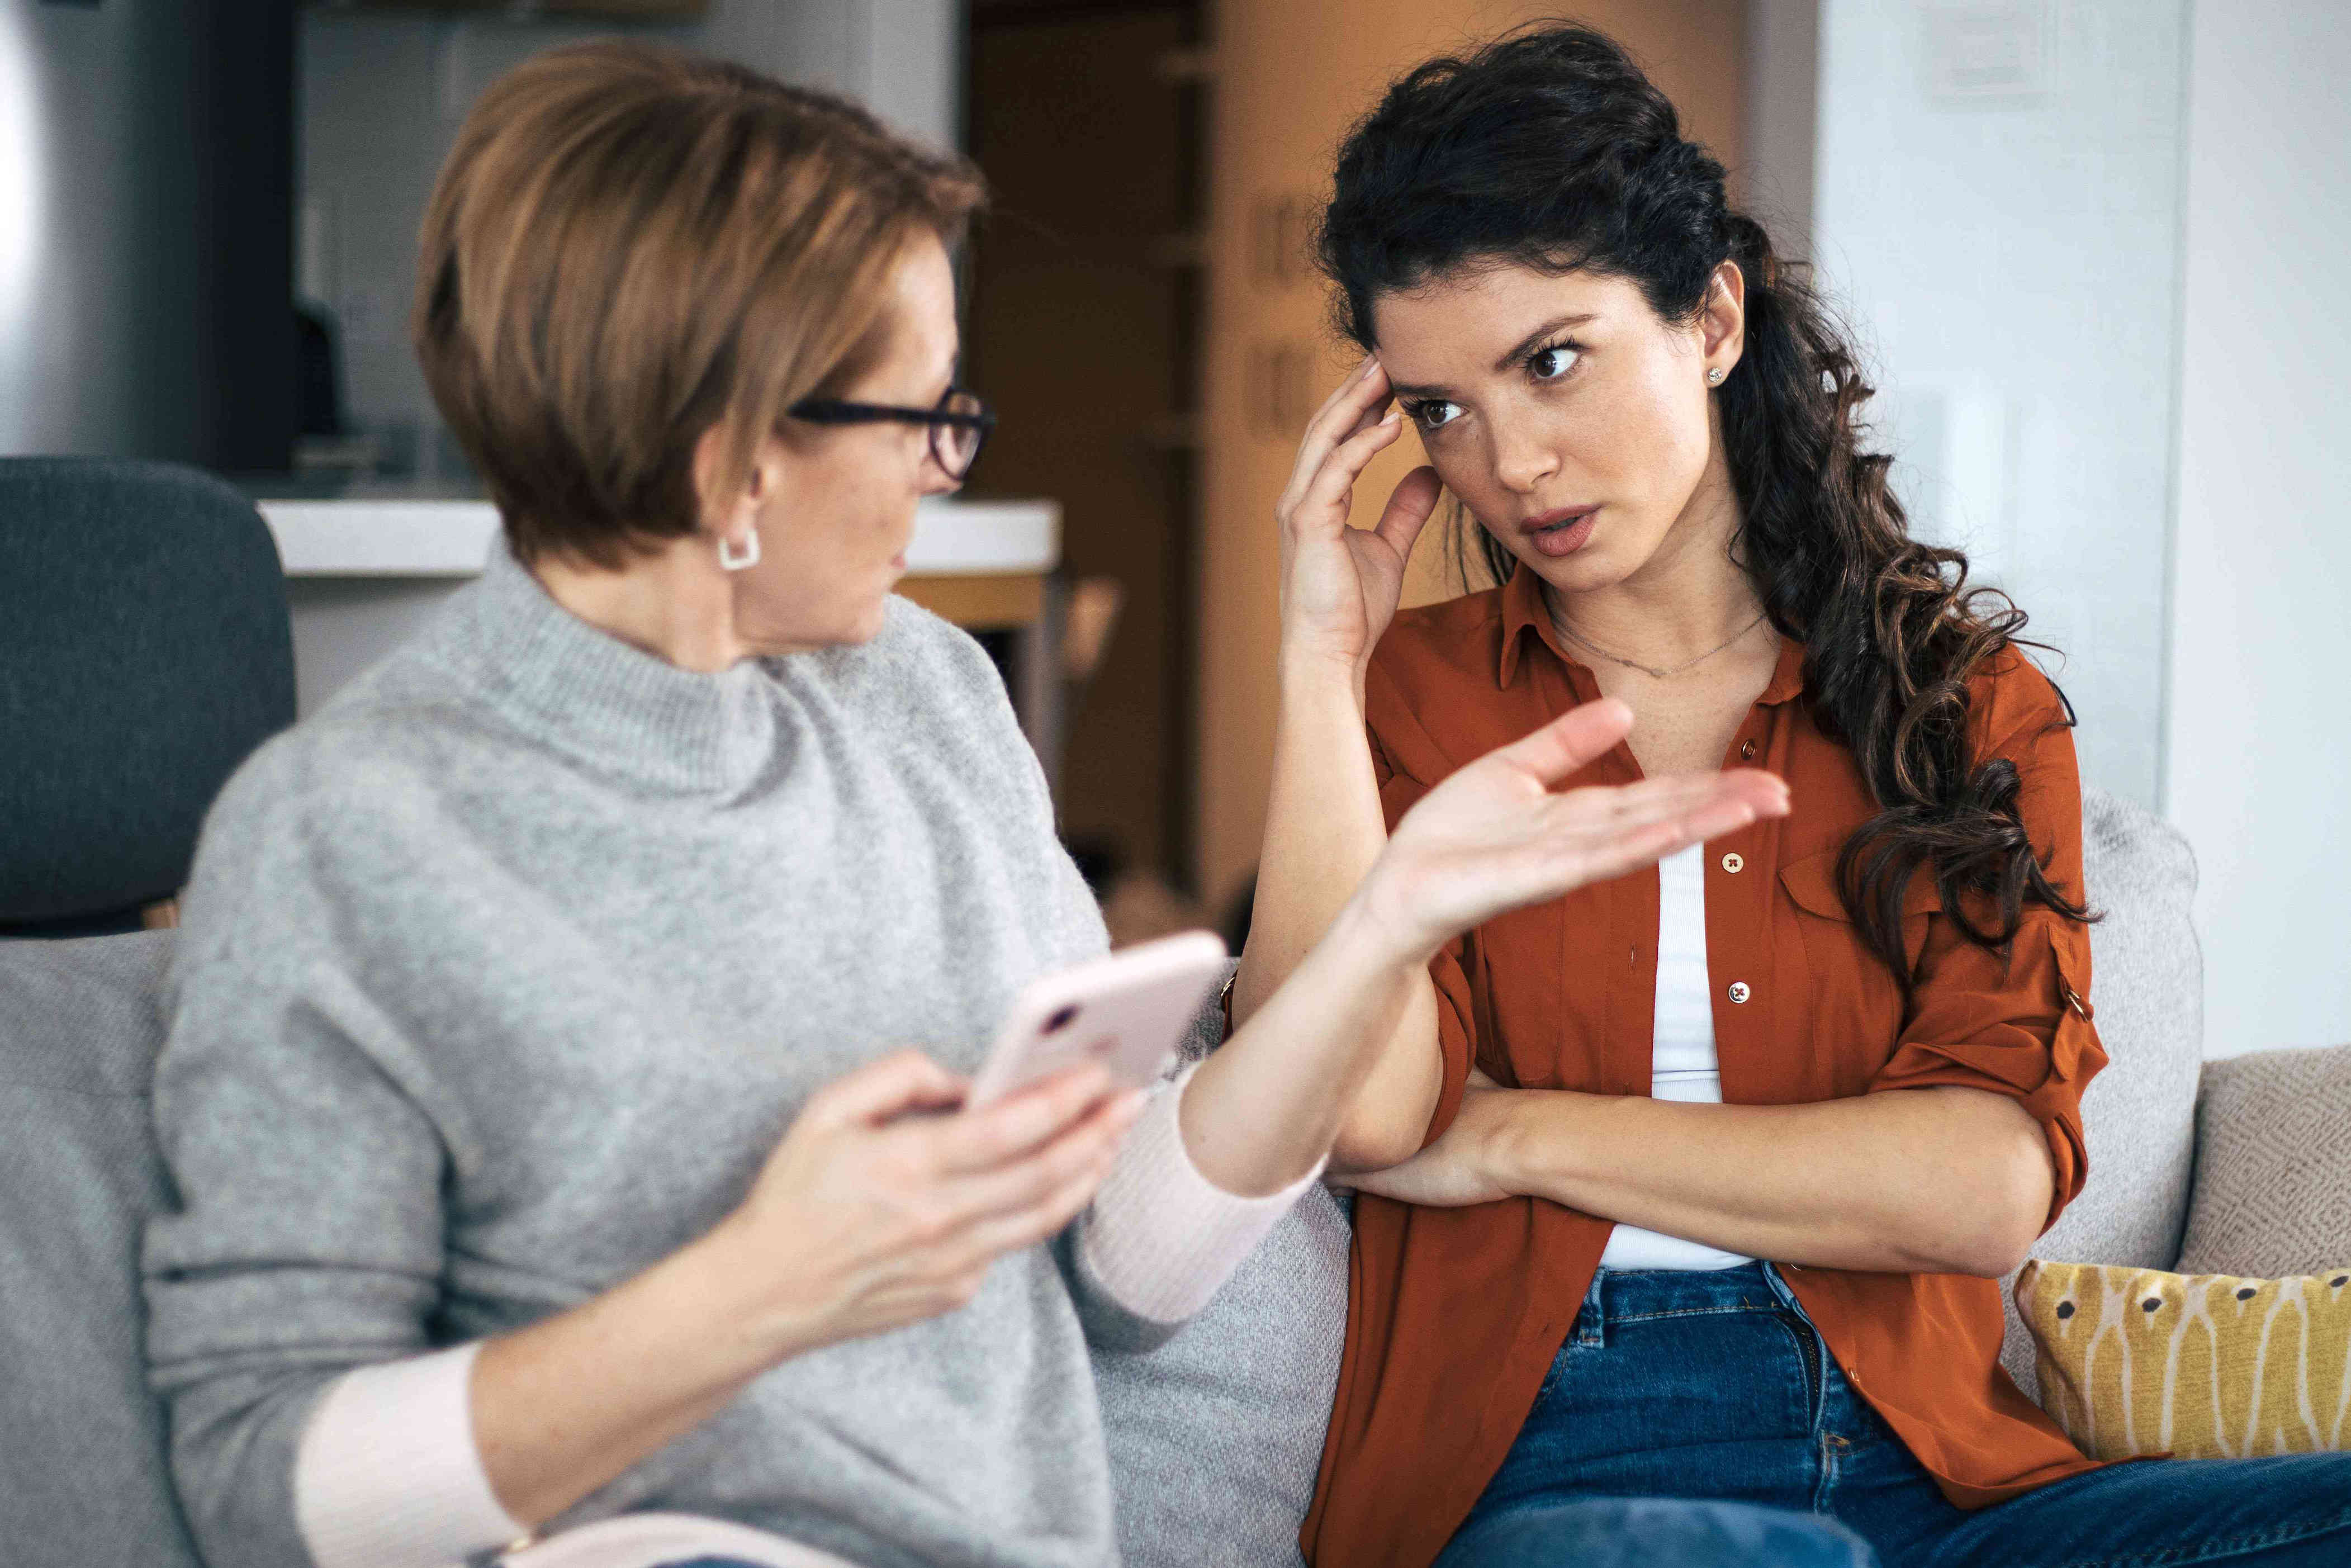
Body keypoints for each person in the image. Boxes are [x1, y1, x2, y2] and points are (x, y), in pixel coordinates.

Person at [139, 40, 1826, 1568]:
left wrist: (1388, 926)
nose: (948, 477)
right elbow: (262, 1484)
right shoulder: (353, 830)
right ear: (736, 454)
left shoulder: (928, 698)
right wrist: (761, 1288)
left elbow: (1125, 1275)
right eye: (924, 419)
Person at [1235, 22, 2351, 1568]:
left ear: (1711, 318)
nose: (1512, 462)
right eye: (1441, 409)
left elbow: (1982, 1186)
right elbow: (1357, 1115)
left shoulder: (1965, 706)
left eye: (1552, 361)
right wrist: (1318, 658)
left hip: (1939, 1484)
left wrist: (1512, 1139)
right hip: (1563, 1479)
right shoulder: (1415, 695)